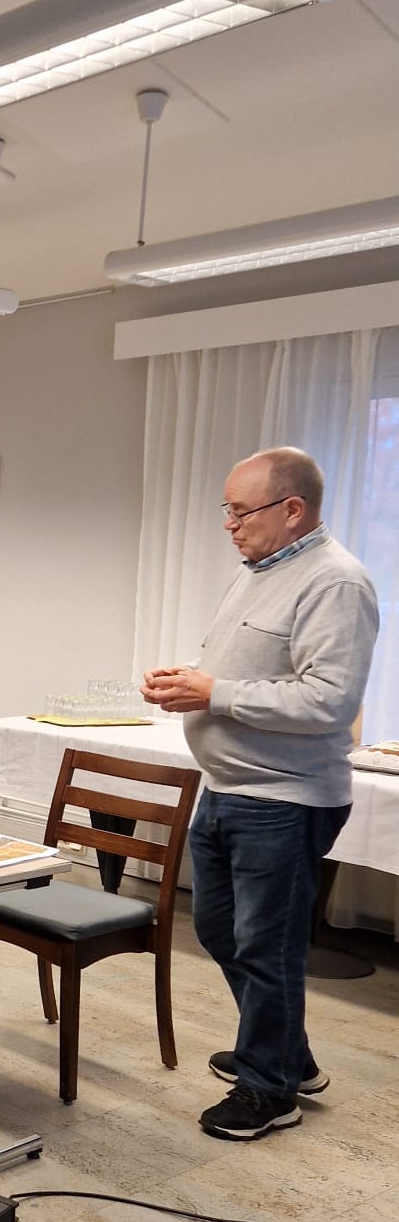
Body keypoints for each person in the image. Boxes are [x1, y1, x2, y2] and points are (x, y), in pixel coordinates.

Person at [142, 447, 378, 1142]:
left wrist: (213, 692)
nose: (229, 524)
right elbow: (245, 668)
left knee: (267, 945)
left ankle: (270, 1089)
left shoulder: (336, 583)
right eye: (228, 510)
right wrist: (188, 679)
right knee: (221, 931)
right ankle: (287, 1055)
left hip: (285, 797)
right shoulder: (260, 572)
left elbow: (329, 701)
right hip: (229, 786)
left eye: (240, 511)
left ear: (292, 509)